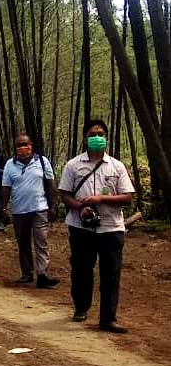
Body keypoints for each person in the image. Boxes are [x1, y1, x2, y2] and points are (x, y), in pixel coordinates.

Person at [59, 118, 134, 333]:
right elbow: (64, 194)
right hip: (81, 226)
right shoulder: (73, 165)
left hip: (111, 228)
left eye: (101, 133)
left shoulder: (116, 166)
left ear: (107, 138)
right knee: (81, 269)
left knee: (111, 273)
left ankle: (108, 318)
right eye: (93, 134)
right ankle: (81, 307)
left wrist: (102, 200)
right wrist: (79, 208)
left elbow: (127, 197)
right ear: (85, 138)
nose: (97, 137)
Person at [0, 133, 59, 288]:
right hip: (19, 211)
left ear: (31, 145)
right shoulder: (9, 165)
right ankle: (27, 273)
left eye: (25, 144)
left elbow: (51, 184)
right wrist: (4, 208)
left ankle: (42, 274)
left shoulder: (42, 161)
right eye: (19, 145)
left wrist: (53, 206)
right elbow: (6, 188)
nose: (22, 148)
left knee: (41, 241)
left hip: (40, 208)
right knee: (23, 243)